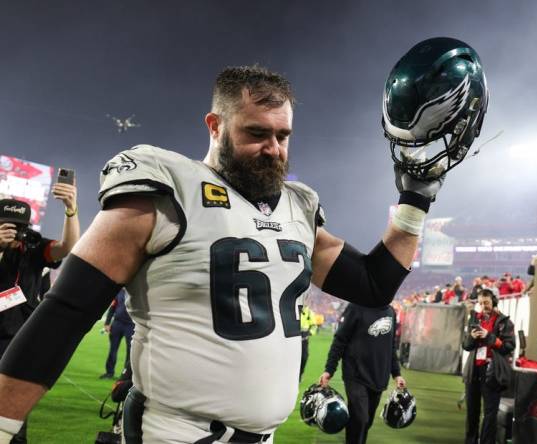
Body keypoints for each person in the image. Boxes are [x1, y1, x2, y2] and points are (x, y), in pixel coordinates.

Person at [0, 38, 489, 443]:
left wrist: (416, 198)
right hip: (174, 433)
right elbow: (65, 313)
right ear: (215, 125)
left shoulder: (297, 205)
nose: (273, 148)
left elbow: (371, 285)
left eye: (283, 135)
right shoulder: (166, 187)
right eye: (257, 133)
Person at [0, 188, 80, 444]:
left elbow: (67, 247)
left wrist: (71, 209)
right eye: (6, 225)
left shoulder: (32, 246)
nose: (14, 231)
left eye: (19, 226)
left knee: (13, 412)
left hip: (19, 338)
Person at [319, 303, 405, 444]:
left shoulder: (390, 312)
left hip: (379, 377)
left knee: (366, 423)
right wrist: (330, 369)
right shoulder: (356, 307)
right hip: (355, 374)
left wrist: (396, 374)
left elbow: (391, 346)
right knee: (360, 418)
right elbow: (340, 339)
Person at [461, 288, 515, 444]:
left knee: (490, 414)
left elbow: (509, 346)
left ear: (494, 301)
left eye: (486, 302)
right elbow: (465, 345)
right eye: (480, 303)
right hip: (474, 370)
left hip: (492, 371)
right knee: (472, 412)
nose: (483, 305)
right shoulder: (474, 319)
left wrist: (489, 336)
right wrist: (472, 337)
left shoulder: (504, 322)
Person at [101, 288, 134, 380]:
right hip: (117, 324)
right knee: (112, 349)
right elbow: (112, 307)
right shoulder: (119, 292)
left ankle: (125, 376)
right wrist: (107, 323)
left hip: (131, 325)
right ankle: (109, 372)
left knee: (130, 352)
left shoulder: (136, 291)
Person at [299, 304, 317, 380]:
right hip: (293, 337)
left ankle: (300, 374)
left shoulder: (309, 312)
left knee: (304, 358)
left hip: (304, 339)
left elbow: (314, 326)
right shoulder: (293, 310)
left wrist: (309, 333)